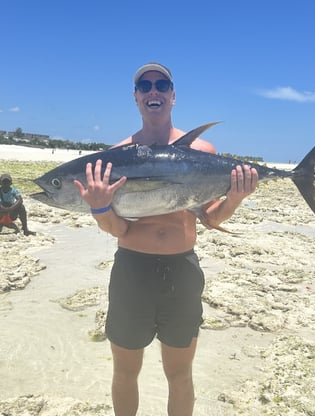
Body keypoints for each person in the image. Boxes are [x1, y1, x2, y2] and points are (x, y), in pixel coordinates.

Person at [75, 62, 258, 416]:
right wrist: (100, 209)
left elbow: (211, 218)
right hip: (132, 271)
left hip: (181, 270)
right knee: (126, 371)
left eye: (162, 84)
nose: (153, 90)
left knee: (180, 374)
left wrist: (235, 197)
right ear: (136, 98)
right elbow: (120, 230)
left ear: (173, 96)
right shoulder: (116, 156)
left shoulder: (203, 150)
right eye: (145, 86)